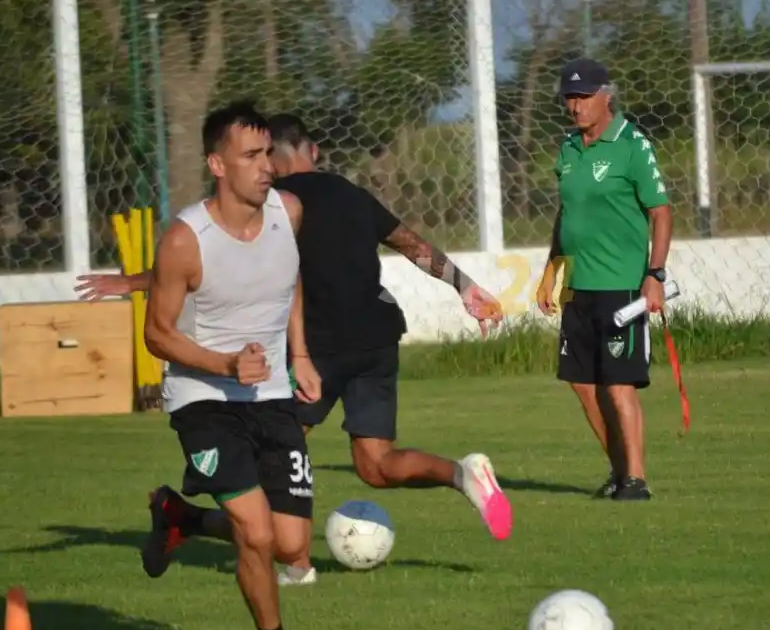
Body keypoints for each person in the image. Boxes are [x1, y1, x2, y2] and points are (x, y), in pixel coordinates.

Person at [76, 113, 513, 586]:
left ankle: (292, 564)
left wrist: (135, 281)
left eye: (265, 156)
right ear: (314, 151)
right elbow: (414, 246)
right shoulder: (352, 194)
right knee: (376, 463)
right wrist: (465, 288)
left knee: (270, 478)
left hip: (318, 351)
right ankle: (460, 473)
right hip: (377, 338)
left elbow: (213, 262)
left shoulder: (279, 207)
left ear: (275, 158)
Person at [140, 100, 316, 630]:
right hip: (204, 400)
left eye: (268, 153)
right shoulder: (184, 241)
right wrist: (222, 365)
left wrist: (301, 354)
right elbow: (157, 335)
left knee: (290, 545)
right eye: (251, 156)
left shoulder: (287, 213)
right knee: (257, 533)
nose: (266, 166)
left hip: (270, 396)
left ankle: (181, 517)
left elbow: (287, 282)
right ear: (218, 164)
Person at [534, 58, 673, 502]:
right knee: (583, 384)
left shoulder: (632, 144)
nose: (575, 107)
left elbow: (661, 212)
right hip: (579, 285)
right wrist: (552, 267)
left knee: (619, 383)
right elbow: (567, 214)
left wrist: (655, 275)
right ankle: (617, 472)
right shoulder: (567, 149)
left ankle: (636, 479)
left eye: (583, 97)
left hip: (621, 287)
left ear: (605, 96)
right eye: (569, 98)